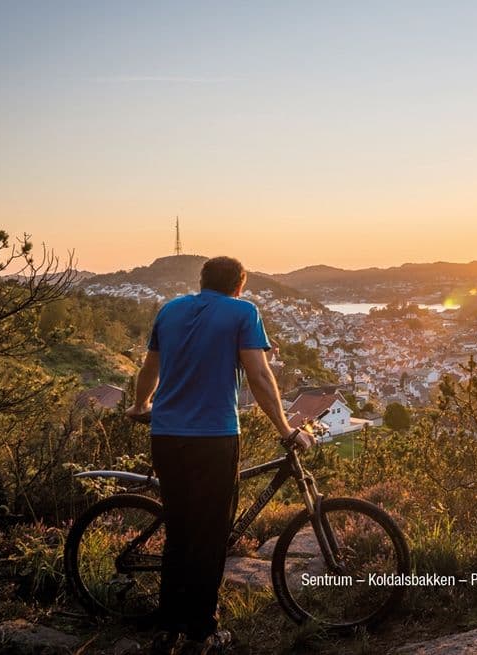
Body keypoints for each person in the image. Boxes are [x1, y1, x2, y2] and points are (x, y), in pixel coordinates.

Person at [126, 256, 312, 655]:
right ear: (239, 286)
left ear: (202, 281)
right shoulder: (243, 311)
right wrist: (286, 429)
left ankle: (167, 629)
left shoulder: (171, 309)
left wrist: (140, 406)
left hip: (166, 434)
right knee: (210, 536)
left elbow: (149, 369)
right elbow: (260, 377)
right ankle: (201, 633)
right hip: (213, 436)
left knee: (179, 530)